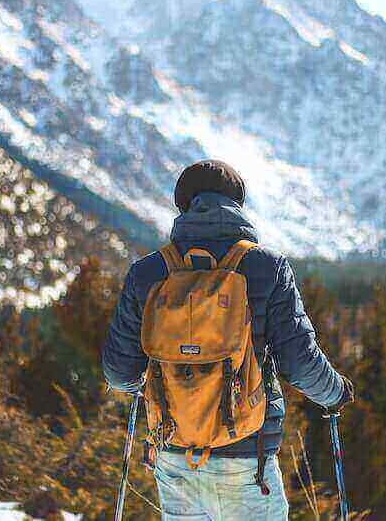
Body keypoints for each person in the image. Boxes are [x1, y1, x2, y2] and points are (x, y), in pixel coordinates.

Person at [102, 159, 354, 521]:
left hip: (175, 453)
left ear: (183, 205)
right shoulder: (267, 268)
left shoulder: (148, 273)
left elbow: (118, 373)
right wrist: (335, 393)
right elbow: (299, 362)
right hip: (247, 458)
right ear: (237, 204)